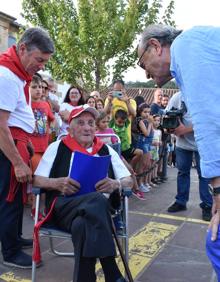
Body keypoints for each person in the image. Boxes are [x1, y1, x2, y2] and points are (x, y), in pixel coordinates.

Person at [137, 24, 220, 276]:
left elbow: (209, 120)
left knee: (216, 243)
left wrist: (218, 191)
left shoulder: (186, 47)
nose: (146, 76)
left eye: (143, 64)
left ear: (155, 46)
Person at [33, 104, 132, 282]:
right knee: (96, 200)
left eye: (91, 123)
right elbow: (37, 180)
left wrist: (115, 183)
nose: (87, 127)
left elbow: (128, 180)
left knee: (82, 225)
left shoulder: (105, 149)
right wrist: (56, 183)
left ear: (96, 127)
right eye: (80, 123)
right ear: (70, 128)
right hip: (64, 208)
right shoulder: (57, 147)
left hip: (96, 215)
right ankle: (112, 272)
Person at [0, 27, 54, 268]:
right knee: (9, 199)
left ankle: (12, 238)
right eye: (39, 59)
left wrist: (28, 144)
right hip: (8, 145)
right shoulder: (7, 76)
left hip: (18, 142)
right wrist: (18, 161)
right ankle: (10, 252)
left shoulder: (17, 74)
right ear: (22, 49)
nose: (41, 66)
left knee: (14, 197)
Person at [165, 92, 212, 221]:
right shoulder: (177, 97)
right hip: (182, 144)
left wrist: (184, 130)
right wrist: (170, 128)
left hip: (202, 143)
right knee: (182, 172)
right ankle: (181, 201)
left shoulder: (203, 95)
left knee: (204, 175)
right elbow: (167, 115)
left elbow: (207, 119)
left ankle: (207, 205)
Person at [29, 74, 54, 220]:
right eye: (34, 87)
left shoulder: (45, 105)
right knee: (38, 179)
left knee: (43, 179)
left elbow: (51, 120)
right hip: (33, 150)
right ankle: (34, 209)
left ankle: (39, 208)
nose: (38, 90)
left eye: (40, 87)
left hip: (45, 148)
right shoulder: (26, 105)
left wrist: (51, 129)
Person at [104, 79, 137, 146]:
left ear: (124, 89)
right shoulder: (109, 99)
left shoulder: (131, 101)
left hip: (125, 137)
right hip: (112, 136)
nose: (117, 93)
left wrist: (126, 101)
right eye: (115, 90)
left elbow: (134, 114)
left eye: (120, 90)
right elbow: (104, 114)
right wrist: (110, 101)